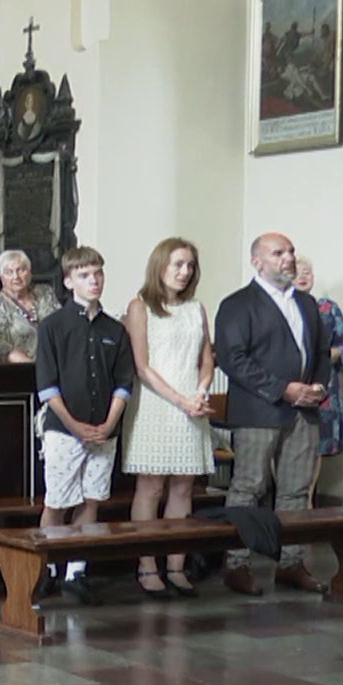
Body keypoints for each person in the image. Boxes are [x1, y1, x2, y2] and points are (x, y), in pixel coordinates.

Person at [213, 232, 332, 596]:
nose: (288, 258)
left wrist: (318, 386)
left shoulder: (306, 304)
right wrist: (282, 388)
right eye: (278, 252)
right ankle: (236, 564)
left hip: (303, 412)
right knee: (249, 488)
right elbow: (233, 359)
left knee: (296, 490)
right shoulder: (238, 304)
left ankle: (291, 563)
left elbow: (322, 353)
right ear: (257, 262)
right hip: (258, 410)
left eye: (291, 251)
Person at [33, 247, 135, 606]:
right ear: (68, 281)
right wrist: (74, 424)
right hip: (64, 429)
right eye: (84, 275)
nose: (93, 281)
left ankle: (76, 571)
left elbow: (123, 383)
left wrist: (109, 423)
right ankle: (46, 567)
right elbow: (47, 386)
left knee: (91, 498)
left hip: (103, 429)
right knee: (58, 499)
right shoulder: (53, 326)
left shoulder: (114, 330)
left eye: (98, 274)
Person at [123, 237, 215, 598]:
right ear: (160, 266)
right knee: (151, 486)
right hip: (156, 403)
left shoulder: (196, 308)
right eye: (178, 264)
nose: (184, 271)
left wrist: (201, 392)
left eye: (190, 265)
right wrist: (180, 400)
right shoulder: (140, 306)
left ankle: (176, 565)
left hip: (192, 402)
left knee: (183, 486)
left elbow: (206, 359)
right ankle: (147, 565)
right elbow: (142, 366)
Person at [294, 257, 343, 483]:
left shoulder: (327, 308)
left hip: (324, 383)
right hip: (293, 383)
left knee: (316, 444)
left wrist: (323, 355)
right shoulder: (284, 309)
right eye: (297, 273)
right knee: (291, 442)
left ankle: (308, 498)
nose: (303, 277)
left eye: (307, 272)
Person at [0, 248, 61, 364]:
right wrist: (35, 367)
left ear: (30, 273)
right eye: (9, 272)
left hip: (54, 363)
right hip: (19, 368)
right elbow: (2, 347)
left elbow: (61, 326)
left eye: (21, 270)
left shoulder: (45, 293)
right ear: (2, 277)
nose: (16, 277)